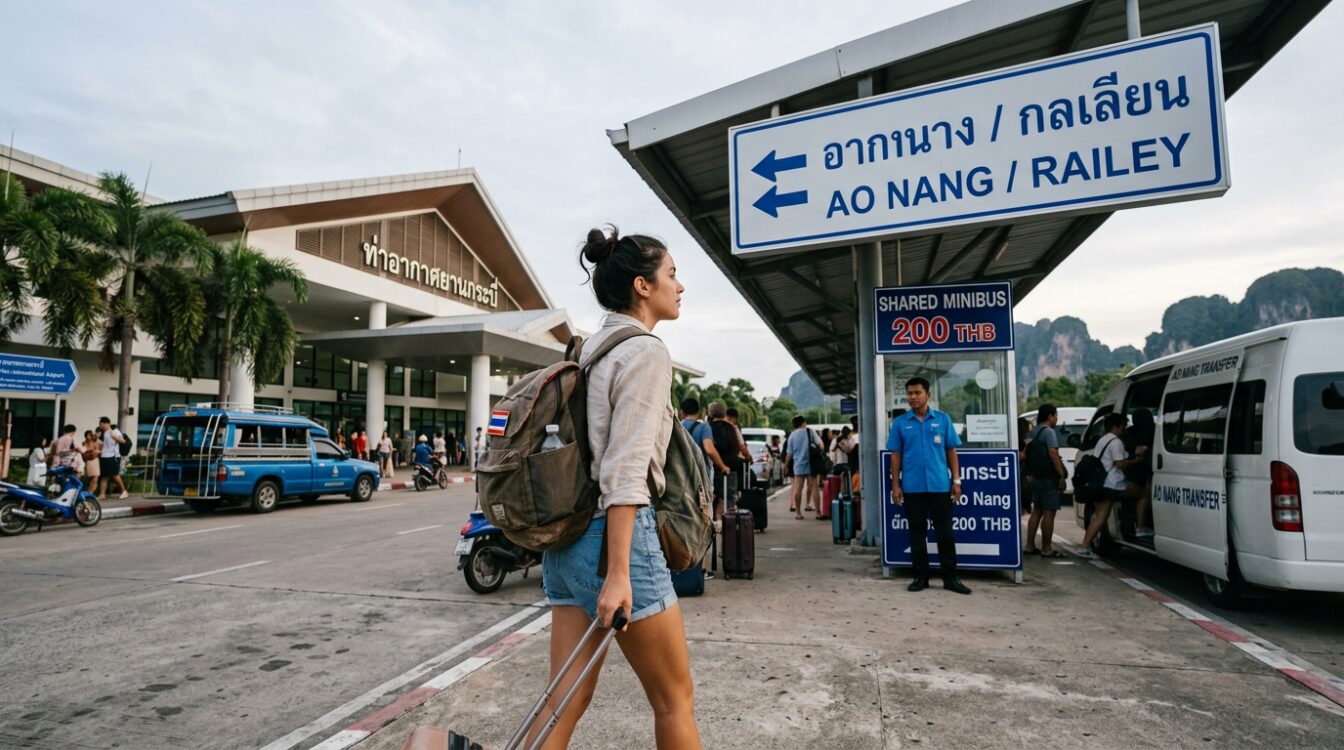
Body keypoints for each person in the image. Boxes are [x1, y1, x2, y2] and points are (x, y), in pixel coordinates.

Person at [527, 226, 700, 749]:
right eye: (672, 274)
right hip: (614, 541)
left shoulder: (587, 348)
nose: (680, 285)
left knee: (563, 699)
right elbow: (625, 473)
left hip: (567, 538)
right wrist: (621, 573)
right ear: (643, 286)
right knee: (674, 699)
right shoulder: (645, 351)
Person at [886, 377, 971, 595]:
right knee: (917, 533)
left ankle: (951, 578)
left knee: (945, 534)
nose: (913, 397)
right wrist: (896, 485)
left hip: (940, 486)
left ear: (928, 395)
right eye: (910, 393)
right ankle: (920, 577)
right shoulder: (900, 423)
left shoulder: (943, 420)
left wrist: (957, 481)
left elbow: (952, 451)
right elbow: (895, 456)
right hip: (912, 488)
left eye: (917, 393)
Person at [1078, 413, 1145, 559]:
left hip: (1101, 484)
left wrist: (1133, 453)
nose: (1124, 428)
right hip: (1112, 485)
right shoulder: (1116, 442)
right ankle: (1140, 528)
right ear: (1116, 426)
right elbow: (1119, 463)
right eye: (1123, 425)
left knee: (1100, 517)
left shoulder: (1104, 439)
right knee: (1143, 493)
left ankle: (1084, 547)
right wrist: (1137, 460)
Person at [1022, 404, 1067, 558]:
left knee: (1037, 511)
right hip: (1048, 477)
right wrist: (1061, 475)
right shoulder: (1049, 432)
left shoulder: (1032, 431)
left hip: (1033, 477)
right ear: (1050, 416)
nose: (1056, 419)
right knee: (1049, 512)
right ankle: (1046, 548)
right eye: (1056, 416)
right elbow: (1053, 454)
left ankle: (1029, 545)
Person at [783, 415, 823, 520]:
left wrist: (786, 465)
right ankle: (818, 513)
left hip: (798, 465)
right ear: (803, 423)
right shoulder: (810, 432)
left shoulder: (792, 436)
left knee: (798, 488)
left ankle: (798, 513)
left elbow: (789, 454)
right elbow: (821, 445)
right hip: (811, 463)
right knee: (814, 487)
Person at [1127, 409, 1157, 538]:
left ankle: (1138, 526)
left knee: (1143, 494)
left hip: (1134, 473)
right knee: (1146, 494)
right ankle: (1141, 526)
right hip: (1153, 470)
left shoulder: (1129, 432)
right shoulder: (1156, 430)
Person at [97, 417, 129, 500]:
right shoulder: (103, 433)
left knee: (115, 475)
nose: (101, 426)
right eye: (100, 425)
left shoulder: (115, 431)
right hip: (104, 456)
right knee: (104, 476)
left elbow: (123, 441)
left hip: (113, 456)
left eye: (103, 424)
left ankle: (124, 491)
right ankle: (102, 494)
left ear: (108, 423)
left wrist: (115, 437)